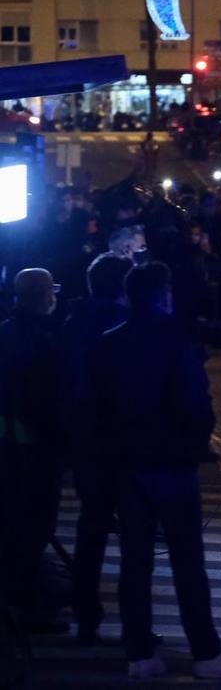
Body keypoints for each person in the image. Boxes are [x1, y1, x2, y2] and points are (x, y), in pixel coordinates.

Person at [88, 263, 221, 679]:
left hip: (128, 466)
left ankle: (140, 651)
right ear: (163, 294)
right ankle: (205, 651)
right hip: (172, 466)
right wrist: (198, 445)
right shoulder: (177, 341)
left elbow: (96, 409)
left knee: (135, 561)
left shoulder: (108, 344)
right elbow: (198, 406)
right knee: (186, 562)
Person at [62, 252, 133, 643]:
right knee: (133, 534)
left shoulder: (74, 322)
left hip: (86, 440)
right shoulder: (122, 325)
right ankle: (133, 623)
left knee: (91, 528)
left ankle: (86, 614)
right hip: (121, 441)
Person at [0, 268, 67, 633]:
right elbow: (47, 401)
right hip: (34, 452)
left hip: (9, 449)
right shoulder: (42, 339)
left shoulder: (6, 332)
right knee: (31, 532)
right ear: (43, 295)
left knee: (13, 529)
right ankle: (28, 610)